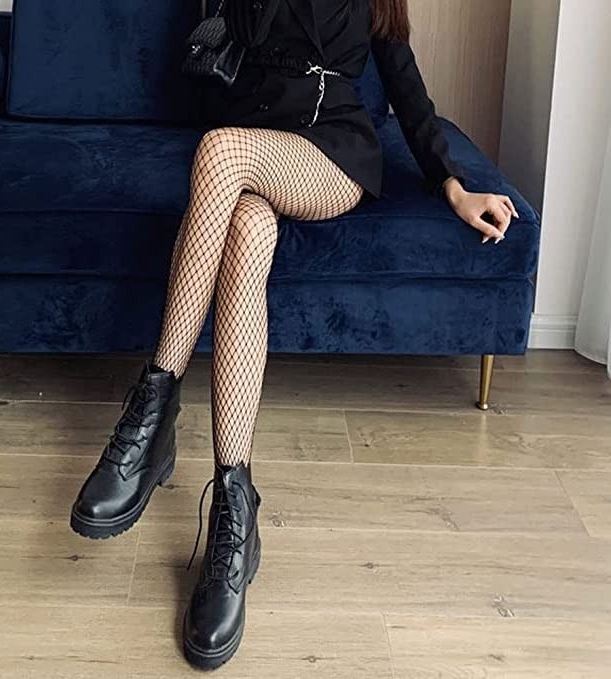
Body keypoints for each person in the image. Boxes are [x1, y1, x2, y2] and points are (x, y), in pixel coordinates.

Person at [70, 0, 519, 669]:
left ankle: (152, 407)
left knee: (219, 151)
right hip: (259, 136)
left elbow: (404, 82)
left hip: (332, 151)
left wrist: (452, 186)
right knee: (247, 229)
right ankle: (234, 507)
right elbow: (234, 37)